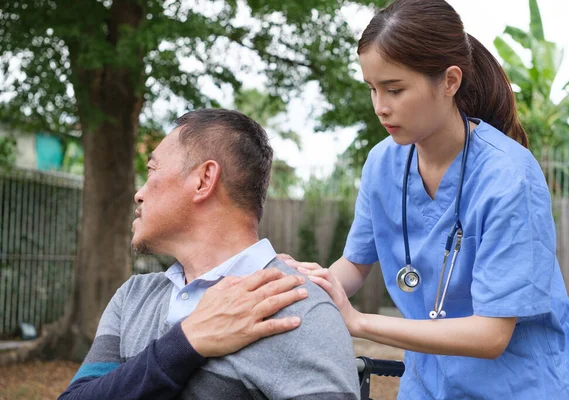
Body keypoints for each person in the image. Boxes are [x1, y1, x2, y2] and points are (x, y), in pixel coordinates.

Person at [282, 1, 569, 399]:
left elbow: (491, 335)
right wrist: (302, 288)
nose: (380, 107)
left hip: (521, 384)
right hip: (430, 381)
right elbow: (355, 264)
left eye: (395, 89)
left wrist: (357, 322)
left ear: (449, 81)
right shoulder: (382, 164)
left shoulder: (508, 176)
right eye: (372, 89)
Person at [59, 109, 360, 399]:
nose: (139, 192)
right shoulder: (133, 298)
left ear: (204, 180)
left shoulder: (298, 309)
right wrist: (186, 342)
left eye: (151, 171)